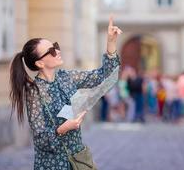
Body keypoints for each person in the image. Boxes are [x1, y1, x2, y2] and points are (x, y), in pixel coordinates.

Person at [9, 16, 122, 170]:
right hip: (53, 164)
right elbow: (40, 138)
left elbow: (103, 76)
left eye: (55, 46)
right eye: (51, 51)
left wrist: (111, 42)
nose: (57, 50)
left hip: (78, 159)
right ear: (40, 63)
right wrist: (64, 128)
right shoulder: (35, 91)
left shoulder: (66, 77)